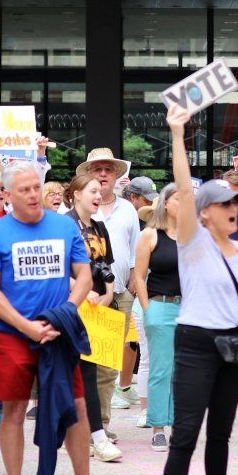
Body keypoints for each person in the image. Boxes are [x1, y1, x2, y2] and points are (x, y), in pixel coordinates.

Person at [0, 161, 120, 475]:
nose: (32, 195)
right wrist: (26, 327)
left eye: (35, 187)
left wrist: (68, 311)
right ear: (7, 196)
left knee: (77, 406)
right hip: (13, 333)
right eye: (23, 190)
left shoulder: (62, 226)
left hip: (59, 332)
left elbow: (84, 275)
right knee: (13, 409)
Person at [150, 105, 238, 475]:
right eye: (224, 203)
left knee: (221, 435)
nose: (234, 208)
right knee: (186, 433)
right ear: (204, 212)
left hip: (232, 346)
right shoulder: (191, 241)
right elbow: (183, 179)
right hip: (195, 343)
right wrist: (178, 133)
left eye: (236, 201)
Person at [69, 168, 125, 463]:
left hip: (101, 307)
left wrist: (106, 294)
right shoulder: (64, 225)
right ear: (76, 194)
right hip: (75, 308)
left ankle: (91, 432)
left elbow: (108, 265)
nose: (98, 195)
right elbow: (58, 267)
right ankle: (96, 437)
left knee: (102, 372)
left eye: (99, 191)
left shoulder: (100, 227)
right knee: (83, 373)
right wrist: (81, 290)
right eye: (92, 191)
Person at [87, 148, 142, 422]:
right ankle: (89, 425)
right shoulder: (79, 211)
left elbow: (135, 249)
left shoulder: (128, 208)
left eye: (108, 169)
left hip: (120, 292)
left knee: (109, 365)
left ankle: (103, 425)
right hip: (88, 297)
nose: (103, 174)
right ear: (89, 175)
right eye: (98, 169)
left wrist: (134, 279)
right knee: (89, 362)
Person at [133, 187, 183, 452]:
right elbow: (139, 276)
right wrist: (147, 308)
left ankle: (178, 424)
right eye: (179, 198)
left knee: (183, 370)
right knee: (161, 368)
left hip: (187, 308)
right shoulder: (150, 234)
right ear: (166, 203)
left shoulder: (191, 236)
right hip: (160, 305)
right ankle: (158, 428)